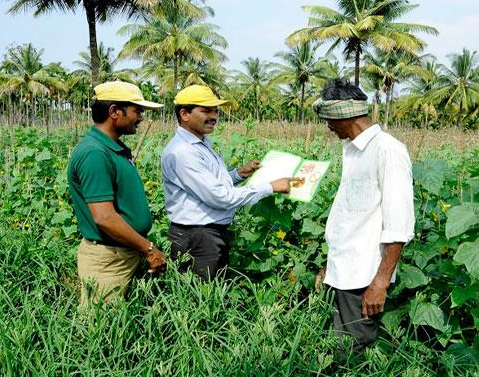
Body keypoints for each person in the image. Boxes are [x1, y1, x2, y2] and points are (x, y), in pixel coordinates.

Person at [313, 79, 415, 355]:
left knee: (352, 351)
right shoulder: (354, 151)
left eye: (329, 120)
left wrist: (380, 281)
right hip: (345, 270)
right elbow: (352, 220)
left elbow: (399, 225)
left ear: (343, 115)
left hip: (363, 275)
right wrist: (330, 267)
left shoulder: (387, 150)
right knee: (339, 348)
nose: (329, 127)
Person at [161, 84, 295, 279]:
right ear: (184, 114)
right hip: (197, 237)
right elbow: (220, 197)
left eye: (216, 110)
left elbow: (210, 185)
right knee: (202, 300)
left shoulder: (203, 143)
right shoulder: (183, 152)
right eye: (206, 110)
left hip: (206, 235)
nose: (214, 116)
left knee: (212, 296)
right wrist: (270, 187)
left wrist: (238, 174)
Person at [68, 81, 167, 305]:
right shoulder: (95, 153)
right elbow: (104, 217)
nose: (141, 118)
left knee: (122, 326)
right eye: (136, 111)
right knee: (102, 331)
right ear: (114, 112)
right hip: (108, 260)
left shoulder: (112, 148)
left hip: (124, 252)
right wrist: (148, 248)